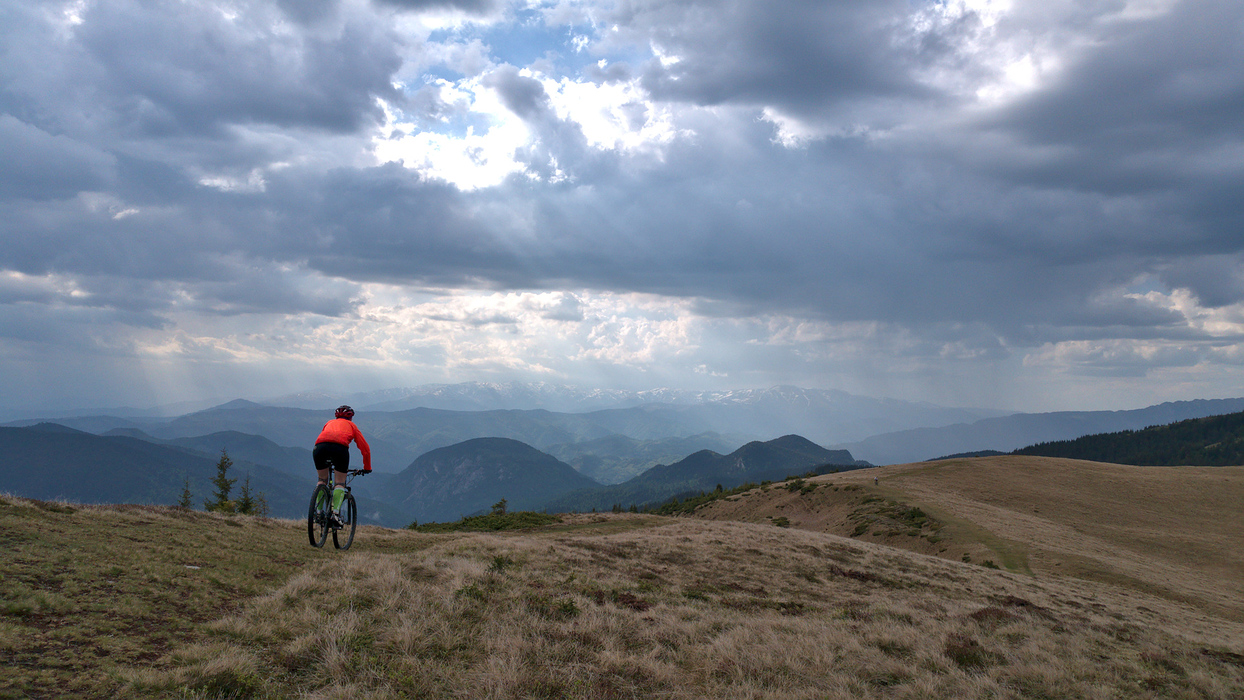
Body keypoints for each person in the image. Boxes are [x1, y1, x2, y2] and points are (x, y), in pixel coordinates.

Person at [314, 405, 371, 523]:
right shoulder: (352, 426)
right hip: (339, 449)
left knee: (321, 480)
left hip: (319, 448)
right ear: (350, 418)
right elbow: (365, 448)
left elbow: (325, 437)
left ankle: (318, 513)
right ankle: (335, 515)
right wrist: (367, 467)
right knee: (340, 482)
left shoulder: (328, 423)